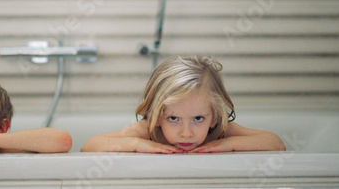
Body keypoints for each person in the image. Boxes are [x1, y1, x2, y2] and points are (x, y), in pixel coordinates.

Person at [81, 56, 286, 153]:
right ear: (157, 116)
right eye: (173, 118)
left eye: (198, 119)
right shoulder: (148, 131)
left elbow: (276, 144)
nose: (186, 133)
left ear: (214, 115)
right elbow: (89, 147)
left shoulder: (219, 132)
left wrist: (230, 144)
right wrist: (135, 144)